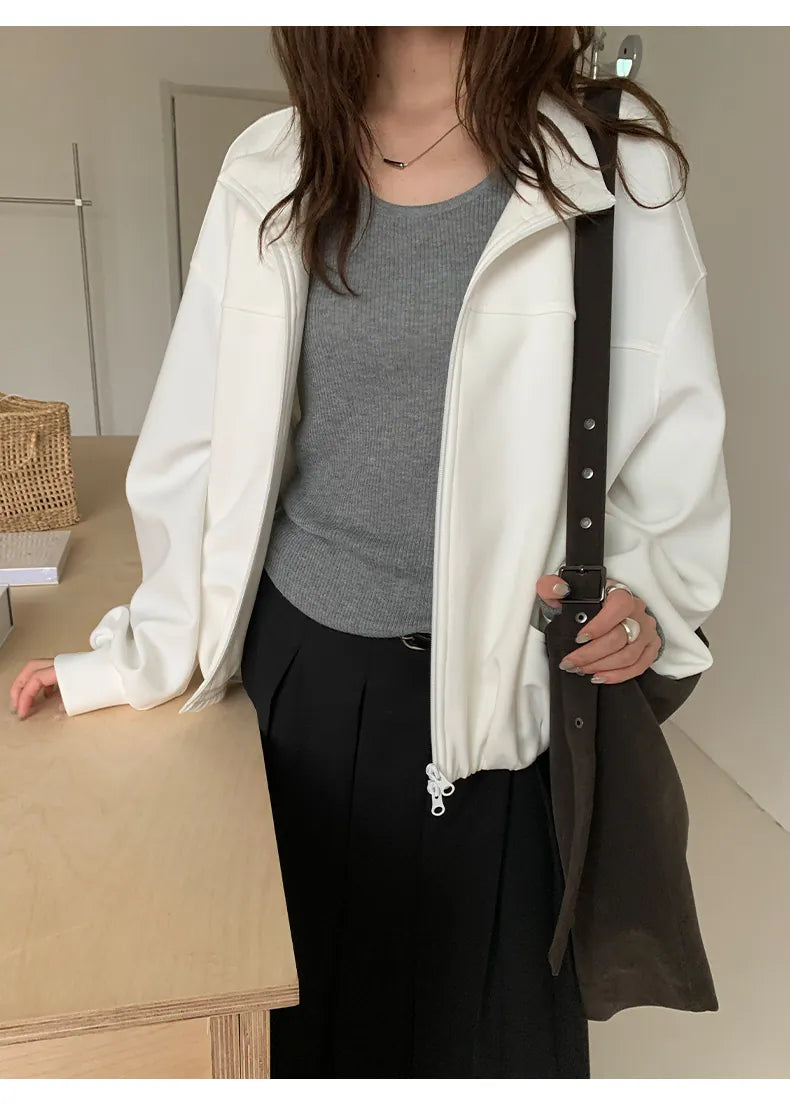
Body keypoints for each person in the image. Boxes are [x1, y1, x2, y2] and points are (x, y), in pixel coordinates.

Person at [8, 27, 730, 1078]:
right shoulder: (271, 162)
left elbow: (674, 441)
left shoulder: (613, 169)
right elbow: (198, 443)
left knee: (487, 1039)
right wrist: (129, 658)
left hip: (505, 695)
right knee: (298, 1034)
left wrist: (648, 596)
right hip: (301, 678)